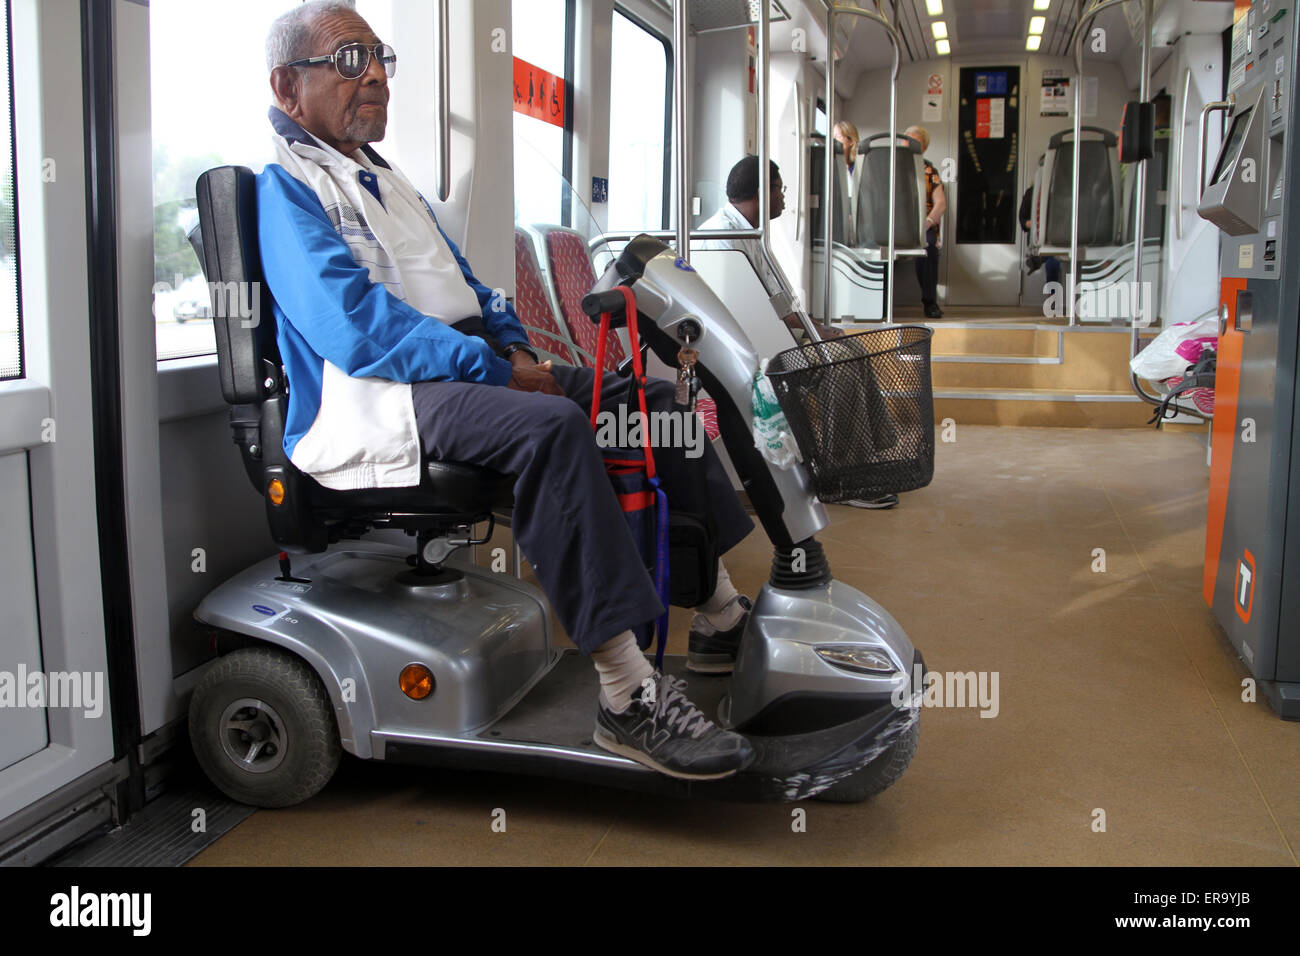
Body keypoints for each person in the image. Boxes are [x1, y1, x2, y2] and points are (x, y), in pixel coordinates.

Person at [256, 1, 758, 780]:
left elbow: (475, 291)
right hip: (380, 399)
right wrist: (497, 370)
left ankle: (719, 611)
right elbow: (354, 330)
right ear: (290, 86)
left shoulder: (390, 183)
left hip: (465, 371)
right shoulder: (285, 189)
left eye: (381, 56)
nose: (379, 76)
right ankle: (626, 696)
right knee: (555, 424)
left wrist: (517, 347)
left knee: (651, 406)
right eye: (352, 60)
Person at [700, 155, 898, 511]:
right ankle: (840, 478)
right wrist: (812, 333)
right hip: (751, 348)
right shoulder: (721, 238)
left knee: (850, 348)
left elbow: (777, 302)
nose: (783, 197)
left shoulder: (750, 233)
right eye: (780, 189)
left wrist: (816, 329)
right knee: (839, 363)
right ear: (763, 191)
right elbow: (748, 312)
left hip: (769, 335)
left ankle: (864, 458)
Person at [905, 125, 945, 319]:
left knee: (929, 245)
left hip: (922, 225)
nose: (910, 146)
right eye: (907, 142)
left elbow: (941, 204)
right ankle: (880, 302)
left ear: (924, 149)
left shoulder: (930, 171)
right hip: (894, 225)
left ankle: (930, 302)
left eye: (916, 143)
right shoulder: (890, 166)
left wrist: (928, 221)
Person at [1019, 186, 1062, 290]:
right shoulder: (1032, 192)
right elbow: (1023, 220)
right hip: (1038, 238)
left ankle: (1038, 260)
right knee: (1052, 261)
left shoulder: (1061, 190)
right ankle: (1053, 300)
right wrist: (1034, 223)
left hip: (1056, 238)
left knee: (1052, 262)